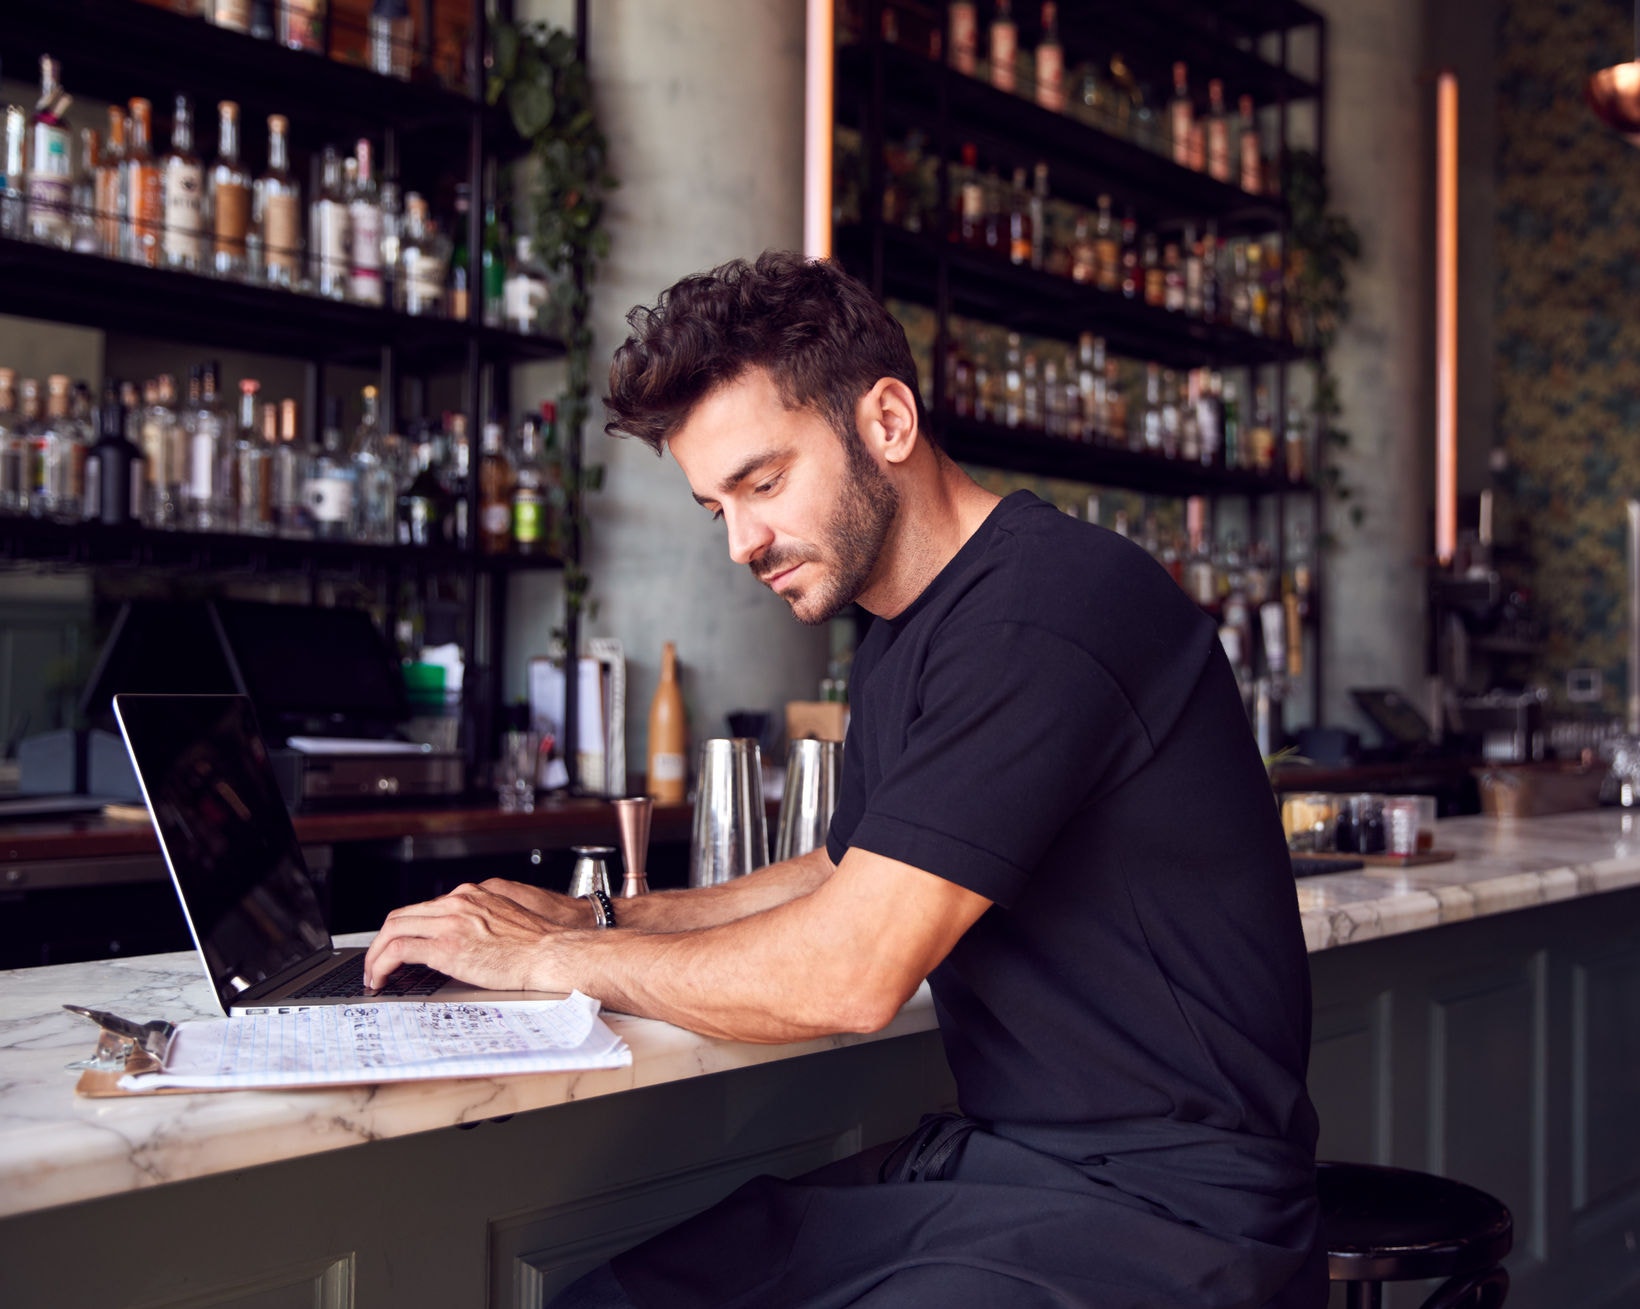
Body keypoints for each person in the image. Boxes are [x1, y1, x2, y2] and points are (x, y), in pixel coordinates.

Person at [363, 251, 1325, 1308]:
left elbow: (847, 971)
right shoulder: (908, 629)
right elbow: (838, 875)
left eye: (762, 482)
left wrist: (550, 959)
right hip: (1012, 1170)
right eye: (714, 506)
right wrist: (608, 914)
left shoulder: (1047, 607)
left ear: (887, 421)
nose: (740, 542)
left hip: (1171, 1212)